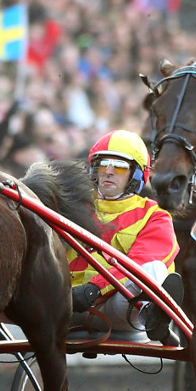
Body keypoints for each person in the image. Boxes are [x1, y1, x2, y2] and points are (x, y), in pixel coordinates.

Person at [68, 130, 182, 343]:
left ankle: (153, 315)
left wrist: (94, 289)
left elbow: (141, 261)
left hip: (117, 308)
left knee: (152, 269)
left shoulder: (155, 215)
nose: (109, 172)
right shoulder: (71, 206)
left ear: (136, 175)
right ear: (94, 170)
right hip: (64, 302)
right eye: (103, 165)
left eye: (119, 166)